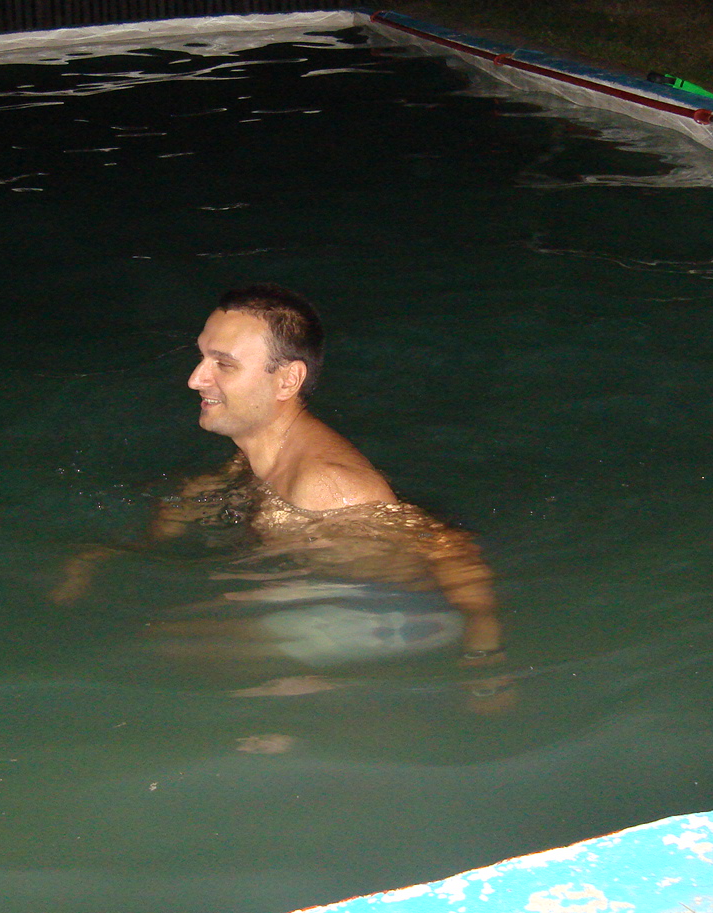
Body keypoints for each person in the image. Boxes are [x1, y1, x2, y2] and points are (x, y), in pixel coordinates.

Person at [52, 284, 506, 684]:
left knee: (155, 645)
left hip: (395, 616)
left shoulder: (326, 486)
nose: (195, 379)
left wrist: (484, 651)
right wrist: (122, 550)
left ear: (287, 380)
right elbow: (199, 496)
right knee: (147, 634)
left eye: (223, 364)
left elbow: (448, 546)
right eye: (202, 356)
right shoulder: (254, 453)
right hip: (322, 592)